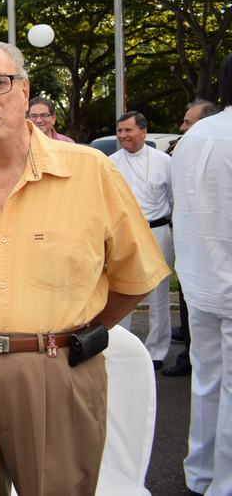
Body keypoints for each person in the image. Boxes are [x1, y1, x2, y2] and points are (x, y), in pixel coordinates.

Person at [0, 41, 169, 496]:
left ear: (24, 91)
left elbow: (135, 275)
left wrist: (76, 331)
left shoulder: (91, 172)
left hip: (59, 368)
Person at [171, 55, 232, 496]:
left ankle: (200, 471)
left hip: (199, 277)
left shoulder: (194, 137)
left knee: (208, 379)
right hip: (222, 273)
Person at [110, 111, 174, 369]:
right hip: (125, 233)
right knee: (123, 289)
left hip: (157, 230)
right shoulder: (111, 162)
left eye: (129, 130)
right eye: (120, 131)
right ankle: (122, 348)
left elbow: (173, 198)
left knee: (158, 292)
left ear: (143, 131)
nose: (123, 135)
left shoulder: (164, 161)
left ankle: (157, 350)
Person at [163, 98, 221, 378]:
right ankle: (188, 353)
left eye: (188, 122)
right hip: (192, 253)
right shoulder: (181, 151)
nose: (182, 127)